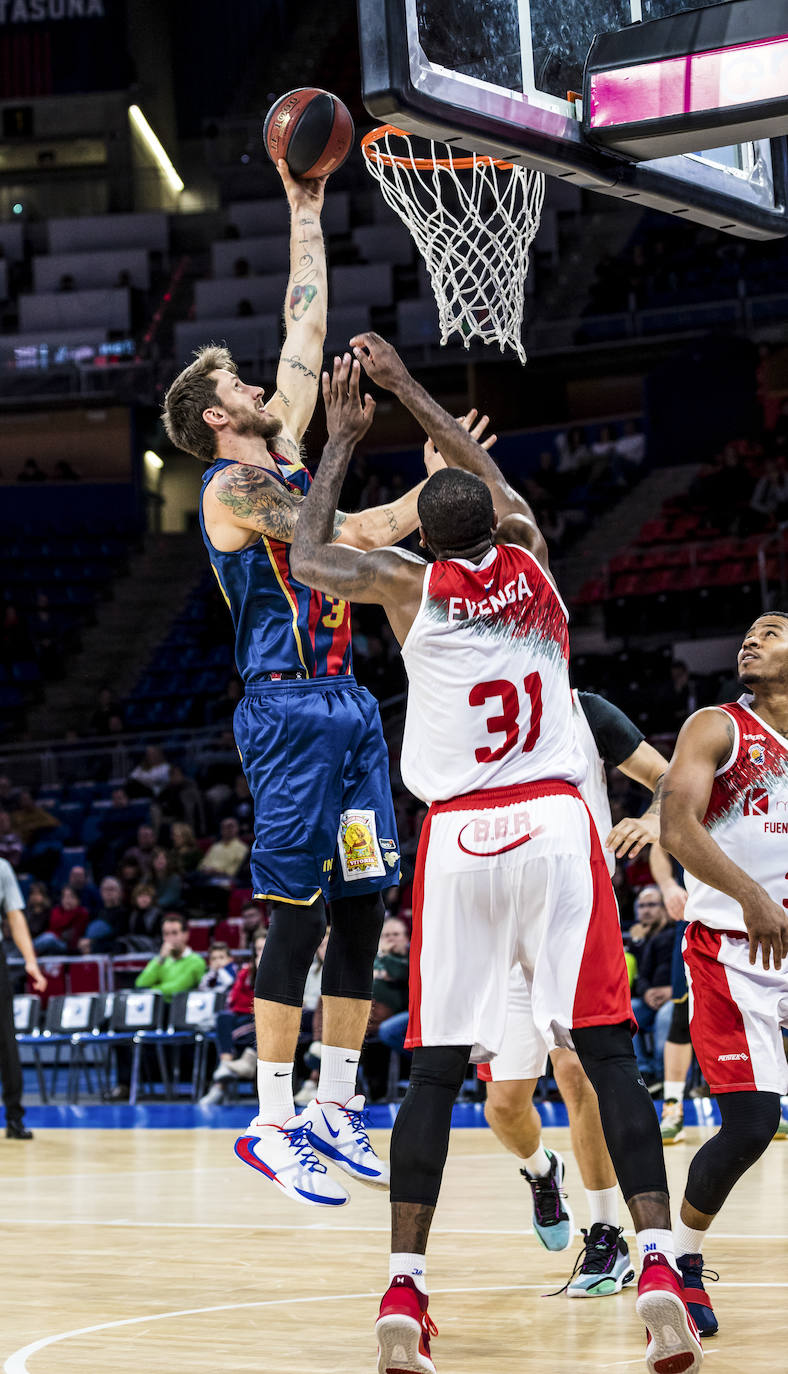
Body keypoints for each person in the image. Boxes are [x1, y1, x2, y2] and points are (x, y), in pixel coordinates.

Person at [290, 336, 702, 1374]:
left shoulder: (400, 585)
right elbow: (489, 489)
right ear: (492, 519)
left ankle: (403, 1287)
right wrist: (406, 392)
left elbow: (303, 558)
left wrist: (341, 438)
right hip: (554, 826)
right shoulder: (527, 554)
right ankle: (656, 1262)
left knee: (431, 1071)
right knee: (605, 1051)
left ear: (422, 544)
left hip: (459, 834)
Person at [162, 159, 441, 1207]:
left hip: (350, 706)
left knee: (367, 900)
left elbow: (303, 334)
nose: (261, 387)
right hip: (285, 712)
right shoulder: (236, 485)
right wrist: (439, 492)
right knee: (297, 910)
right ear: (217, 420)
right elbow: (349, 537)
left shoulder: (271, 446)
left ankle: (336, 1103)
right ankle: (271, 1118)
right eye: (240, 387)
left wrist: (306, 210)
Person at [480, 692, 674, 1298]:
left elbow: (667, 777)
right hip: (499, 919)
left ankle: (606, 1233)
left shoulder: (581, 708)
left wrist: (652, 820)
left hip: (574, 912)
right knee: (505, 1104)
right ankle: (543, 1171)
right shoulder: (470, 708)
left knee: (576, 1074)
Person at [659, 612, 788, 1339]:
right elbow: (678, 826)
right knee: (751, 1126)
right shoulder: (716, 725)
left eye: (771, 632)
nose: (751, 639)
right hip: (731, 952)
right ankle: (683, 1262)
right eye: (747, 633)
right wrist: (752, 895)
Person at [0, 856, 47, 1138]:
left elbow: (15, 915)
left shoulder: (2, 868)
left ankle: (15, 1117)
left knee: (5, 1038)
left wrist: (30, 961)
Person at [628, 886, 677, 1084]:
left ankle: (665, 1076)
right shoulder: (638, 938)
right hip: (650, 998)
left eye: (651, 905)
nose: (645, 910)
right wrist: (646, 992)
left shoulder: (677, 933)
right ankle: (643, 1073)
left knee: (666, 1016)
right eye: (641, 906)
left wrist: (674, 991)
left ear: (665, 907)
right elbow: (639, 975)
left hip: (678, 997)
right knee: (627, 1011)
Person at [134, 913, 206, 1001]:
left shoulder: (196, 961)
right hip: (157, 1009)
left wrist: (152, 991)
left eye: (175, 933)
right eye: (166, 934)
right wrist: (161, 959)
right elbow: (140, 984)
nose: (170, 938)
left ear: (186, 935)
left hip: (180, 1009)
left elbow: (177, 988)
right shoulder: (160, 959)